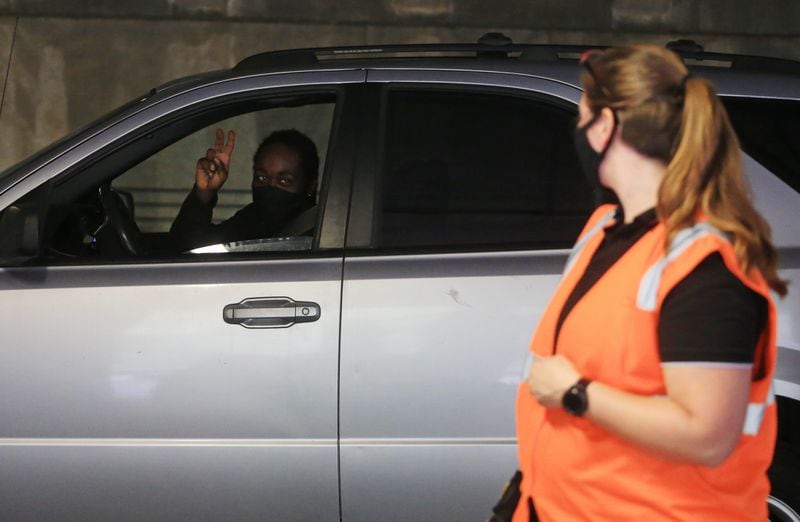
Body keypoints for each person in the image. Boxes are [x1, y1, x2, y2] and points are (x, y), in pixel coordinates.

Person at [509, 44, 787, 521]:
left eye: (581, 116)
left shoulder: (705, 268)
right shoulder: (603, 231)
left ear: (605, 127)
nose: (576, 131)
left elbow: (705, 435)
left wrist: (577, 393)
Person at [170, 128, 319, 251]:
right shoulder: (253, 218)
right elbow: (188, 247)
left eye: (284, 180)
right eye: (261, 178)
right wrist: (204, 193)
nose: (271, 187)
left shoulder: (323, 231)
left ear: (310, 185)